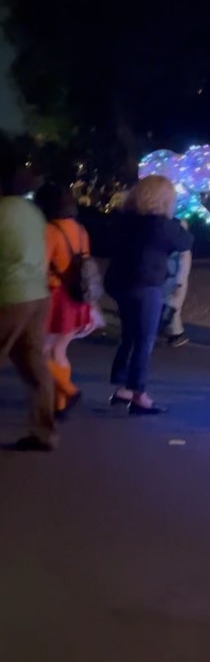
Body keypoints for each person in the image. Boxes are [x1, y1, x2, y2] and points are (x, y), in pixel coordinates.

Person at [105, 175, 193, 414]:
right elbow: (185, 242)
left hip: (120, 283)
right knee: (145, 340)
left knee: (130, 335)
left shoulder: (125, 220)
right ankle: (139, 394)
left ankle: (123, 385)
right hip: (146, 286)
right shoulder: (163, 225)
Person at [0, 143, 57, 451]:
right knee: (34, 364)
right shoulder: (31, 211)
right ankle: (43, 432)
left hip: (10, 295)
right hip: (38, 294)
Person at [34, 182, 94, 417]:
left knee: (38, 352)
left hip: (56, 298)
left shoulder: (49, 231)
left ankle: (68, 391)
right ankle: (59, 404)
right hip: (77, 298)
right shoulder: (80, 230)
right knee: (59, 350)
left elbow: (40, 267)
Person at [159, 219, 192, 347]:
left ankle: (175, 334)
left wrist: (180, 281)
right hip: (171, 277)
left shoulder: (180, 248)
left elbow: (184, 263)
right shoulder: (179, 244)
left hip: (172, 279)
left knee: (171, 306)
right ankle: (174, 334)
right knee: (172, 308)